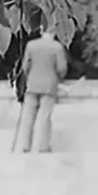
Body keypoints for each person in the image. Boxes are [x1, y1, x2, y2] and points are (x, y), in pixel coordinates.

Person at [17, 24, 68, 153]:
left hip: (32, 84)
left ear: (41, 30)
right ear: (54, 32)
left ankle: (25, 145)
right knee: (44, 116)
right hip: (49, 85)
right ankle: (43, 146)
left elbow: (24, 66)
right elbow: (62, 68)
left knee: (28, 116)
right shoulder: (57, 47)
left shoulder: (31, 45)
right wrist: (59, 78)